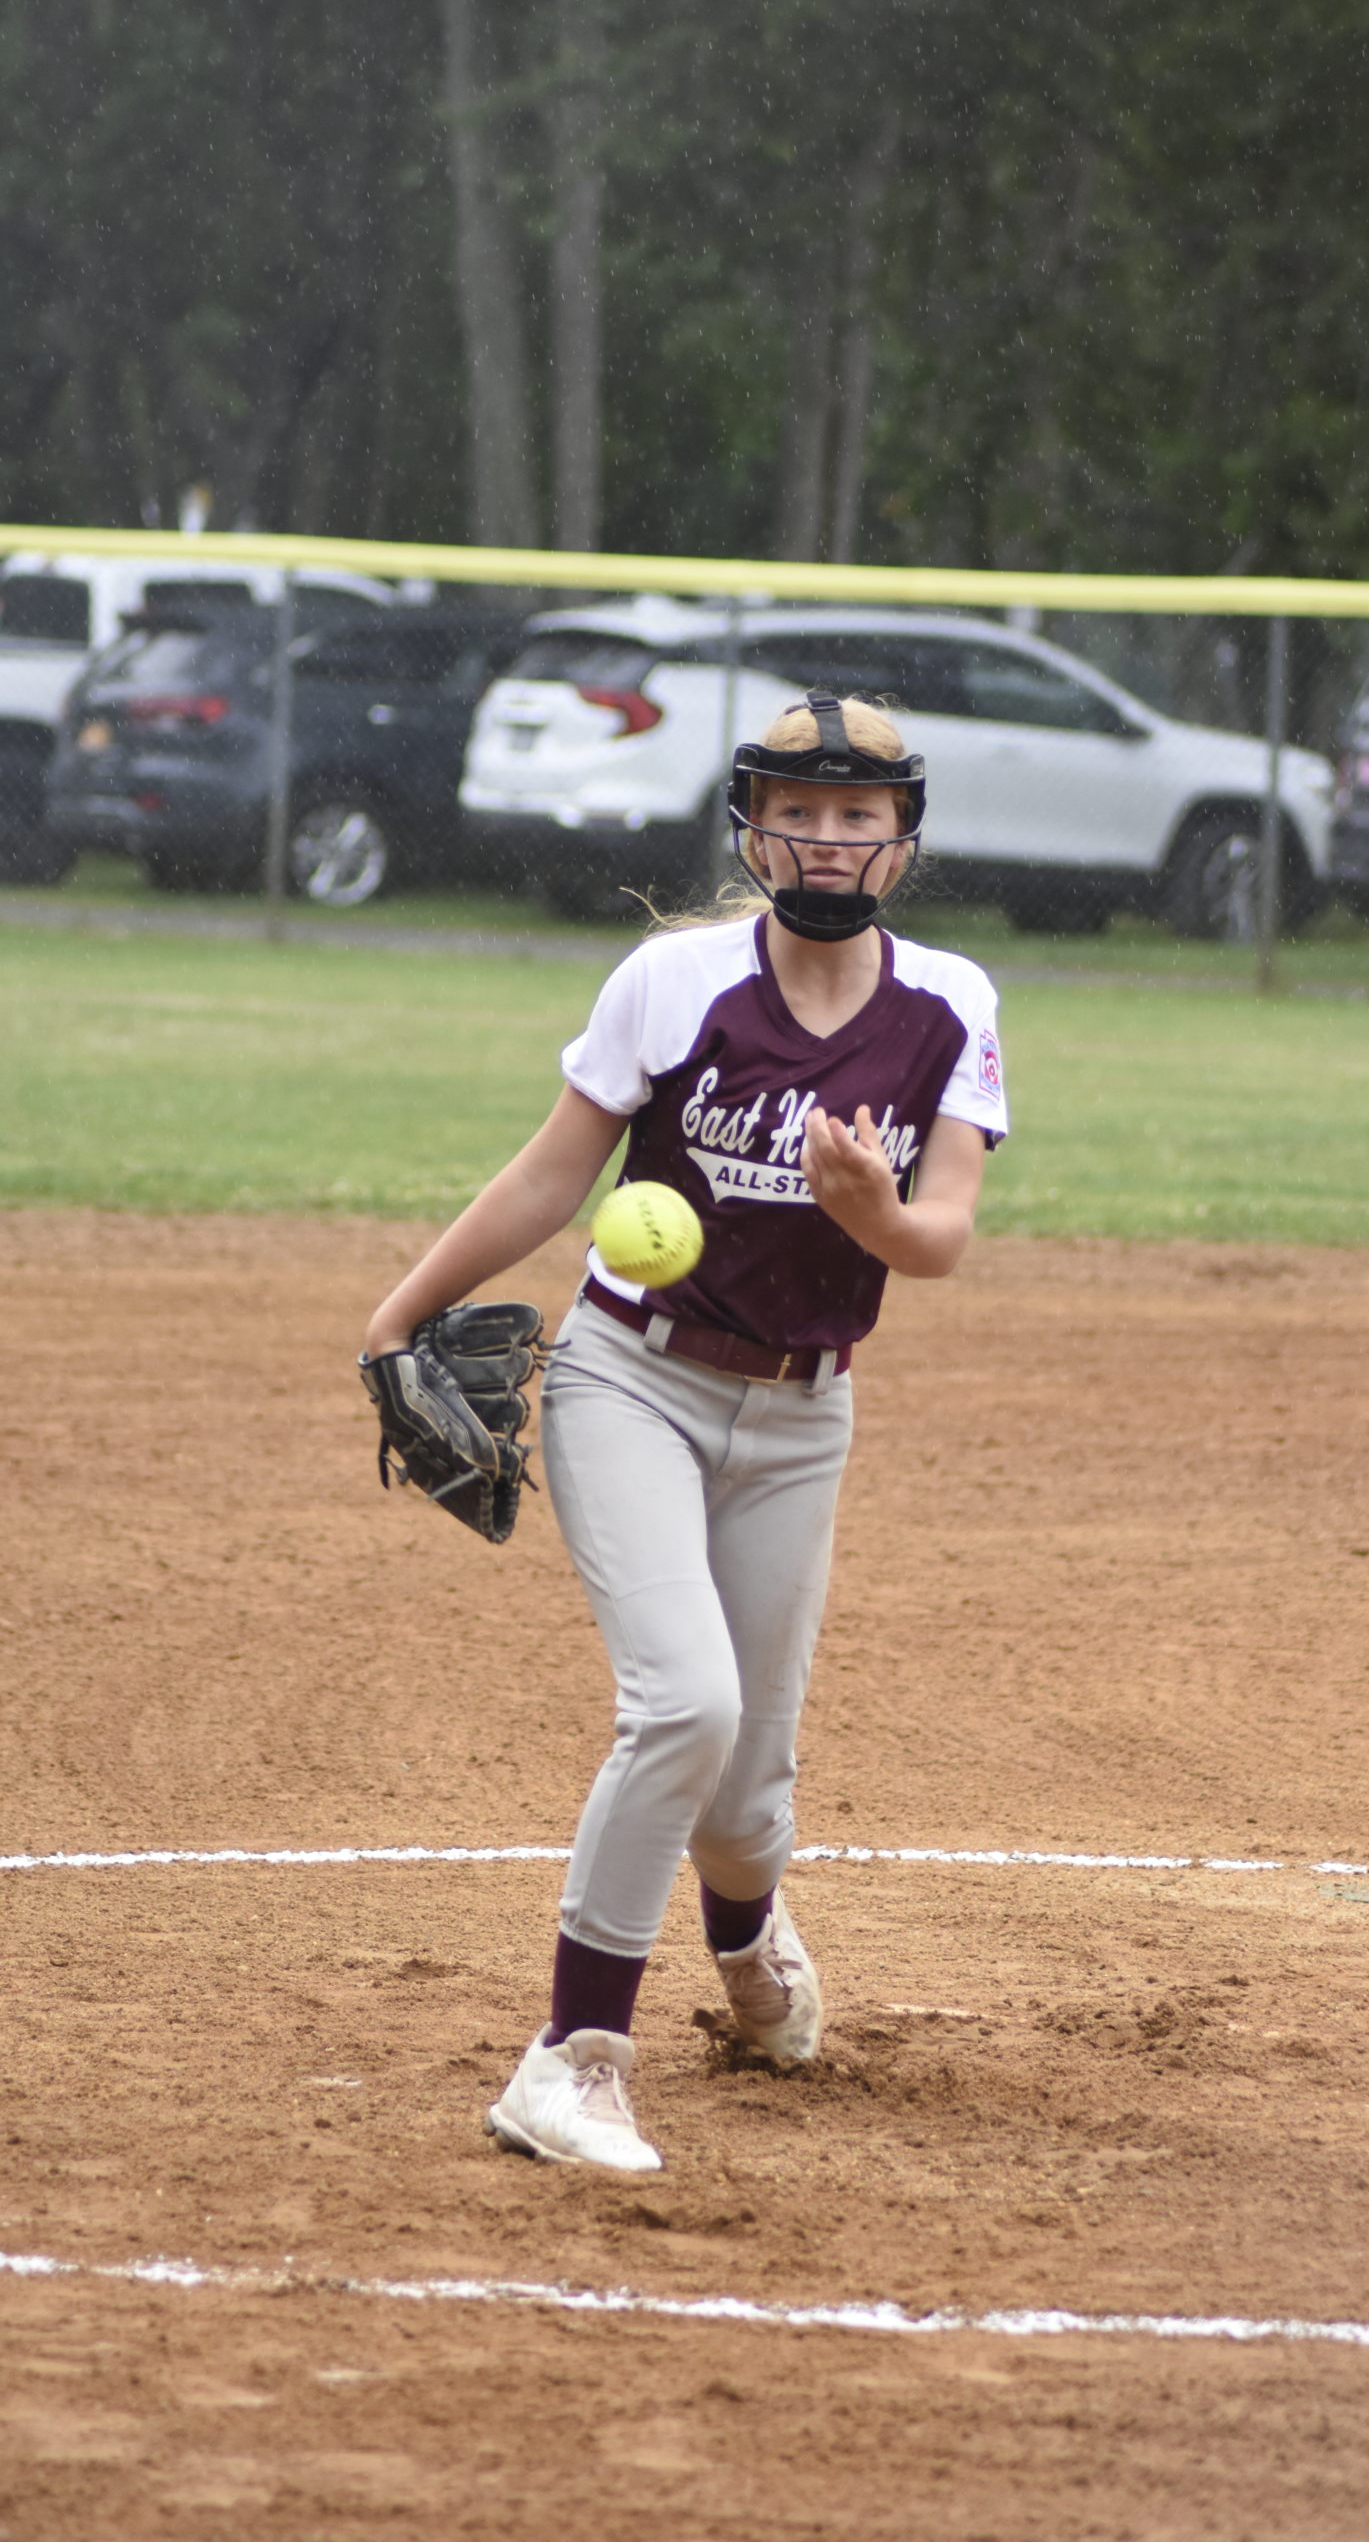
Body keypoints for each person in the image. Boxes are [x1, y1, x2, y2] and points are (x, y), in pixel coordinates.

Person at [362, 691, 1008, 2172]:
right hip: (629, 1380)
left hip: (802, 1412)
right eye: (798, 809)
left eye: (860, 816)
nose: (828, 839)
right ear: (752, 828)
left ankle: (745, 1930)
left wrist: (875, 1215)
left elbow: (946, 1239)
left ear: (903, 843)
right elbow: (550, 1180)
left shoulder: (952, 1005)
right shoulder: (675, 982)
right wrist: (398, 1317)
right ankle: (572, 2059)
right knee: (684, 1706)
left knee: (749, 1798)